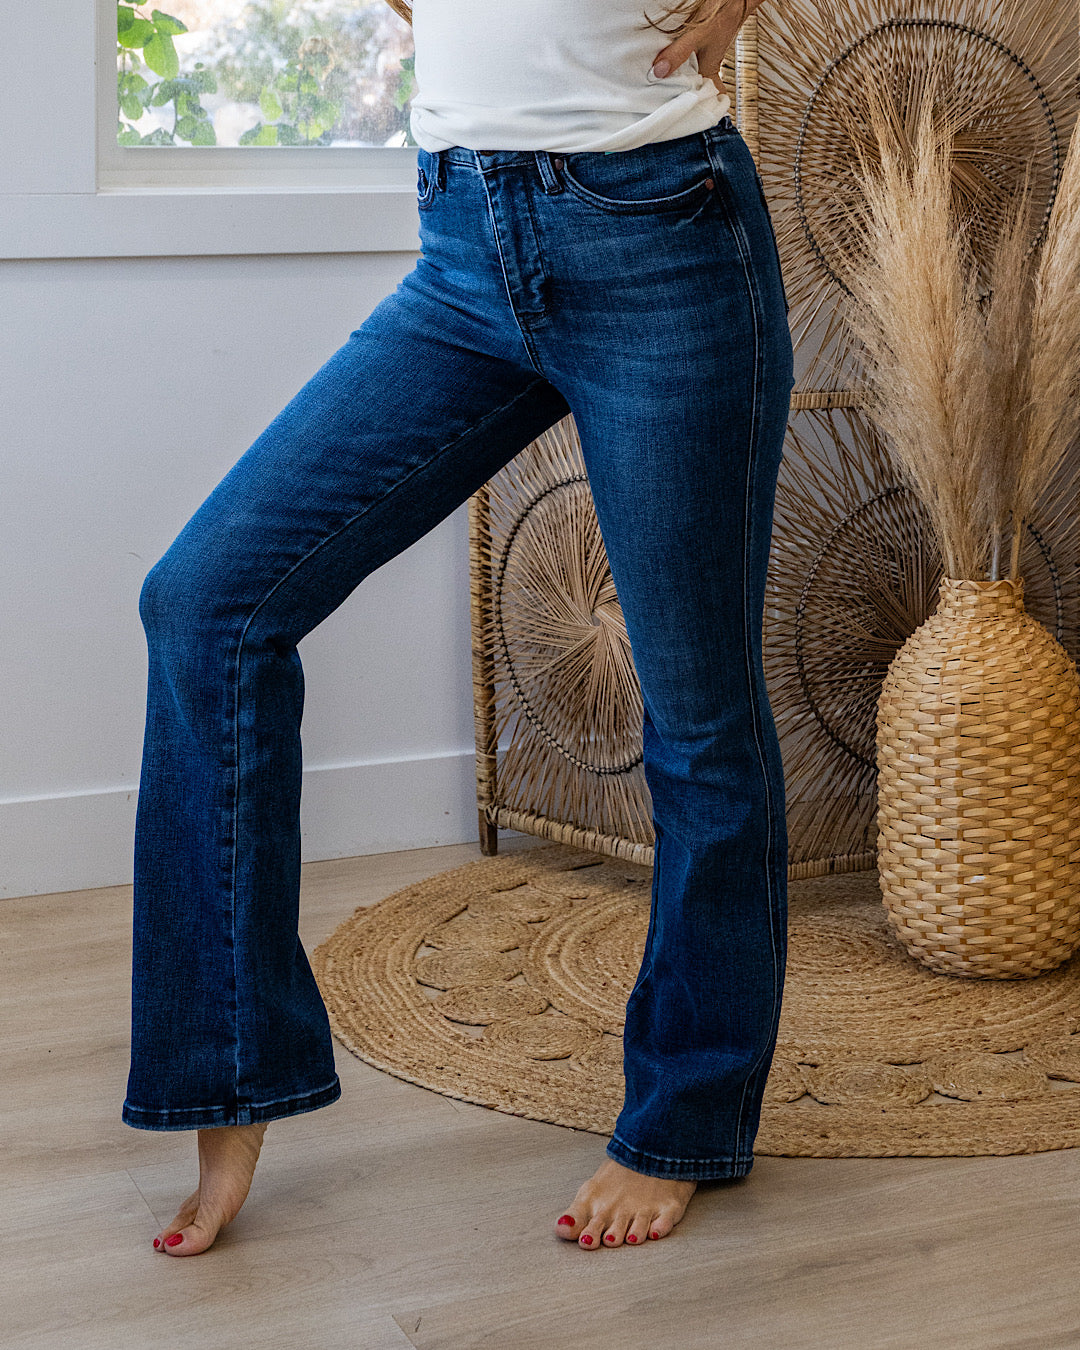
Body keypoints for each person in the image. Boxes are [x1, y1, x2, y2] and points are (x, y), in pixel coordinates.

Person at [127, 0, 793, 1257]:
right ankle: (233, 1073)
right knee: (207, 604)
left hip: (662, 235)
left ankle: (686, 1118)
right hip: (464, 243)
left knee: (698, 722)